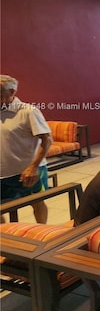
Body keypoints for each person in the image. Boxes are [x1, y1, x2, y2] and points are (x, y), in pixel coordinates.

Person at [1, 74, 52, 224]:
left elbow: (47, 140)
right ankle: (6, 238)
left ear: (12, 92)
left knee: (37, 202)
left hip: (27, 171)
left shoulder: (28, 111)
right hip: (3, 172)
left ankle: (43, 233)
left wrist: (33, 167)